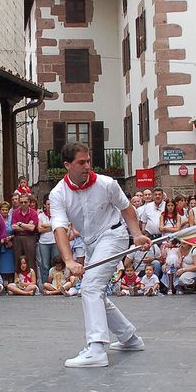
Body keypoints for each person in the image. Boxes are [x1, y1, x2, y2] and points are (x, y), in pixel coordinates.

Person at [50, 141, 149, 368]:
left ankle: (96, 348)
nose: (87, 166)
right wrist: (68, 260)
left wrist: (137, 234)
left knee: (90, 288)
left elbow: (126, 208)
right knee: (96, 294)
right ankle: (129, 338)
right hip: (90, 243)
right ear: (67, 165)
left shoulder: (107, 184)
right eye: (81, 162)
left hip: (114, 236)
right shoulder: (58, 194)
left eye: (88, 161)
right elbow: (59, 228)